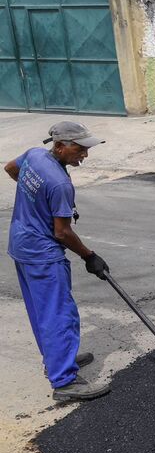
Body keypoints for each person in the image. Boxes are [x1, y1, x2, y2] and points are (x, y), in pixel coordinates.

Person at [5, 122, 111, 402]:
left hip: (21, 244)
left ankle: (57, 359)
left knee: (42, 311)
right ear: (60, 145)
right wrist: (90, 256)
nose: (84, 155)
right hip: (42, 254)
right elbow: (62, 232)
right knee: (59, 314)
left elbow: (10, 168)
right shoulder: (60, 184)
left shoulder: (34, 155)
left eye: (86, 149)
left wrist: (37, 201)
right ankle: (64, 381)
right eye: (79, 149)